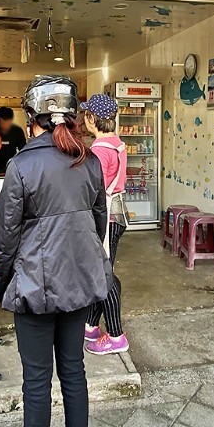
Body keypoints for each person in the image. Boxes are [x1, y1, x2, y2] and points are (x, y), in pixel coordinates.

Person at [0, 76, 111, 427]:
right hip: (79, 284)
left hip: (35, 288)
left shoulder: (21, 166)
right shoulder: (89, 161)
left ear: (31, 118)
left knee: (37, 381)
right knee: (74, 373)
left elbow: (4, 239)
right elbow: (98, 226)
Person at [81, 94, 130, 355]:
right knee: (104, 269)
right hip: (118, 214)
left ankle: (115, 335)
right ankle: (90, 325)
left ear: (92, 118)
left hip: (106, 217)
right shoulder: (117, 144)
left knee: (103, 275)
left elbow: (94, 190)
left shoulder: (99, 151)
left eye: (85, 114)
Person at [0, 107, 27, 177]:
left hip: (11, 169)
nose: (5, 126)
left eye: (8, 123)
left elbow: (23, 152)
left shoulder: (17, 131)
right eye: (3, 123)